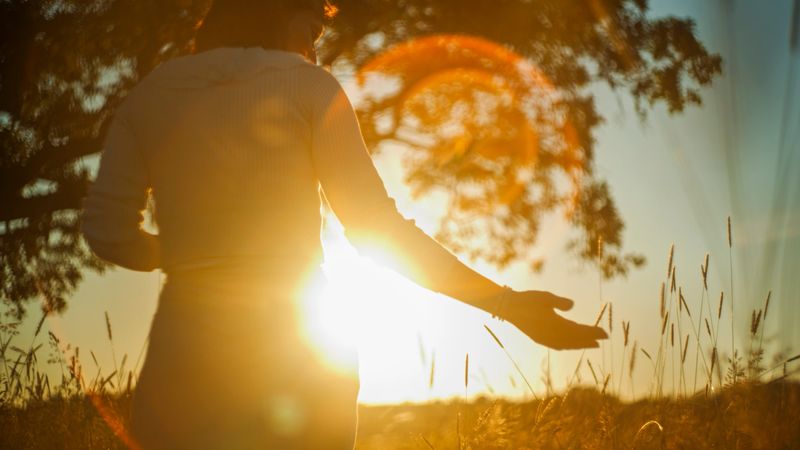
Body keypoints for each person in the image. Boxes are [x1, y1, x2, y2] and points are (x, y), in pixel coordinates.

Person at [80, 0, 607, 448]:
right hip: (299, 358)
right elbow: (377, 229)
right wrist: (507, 304)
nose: (314, 50)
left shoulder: (151, 93)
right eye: (312, 30)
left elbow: (106, 232)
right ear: (277, 11)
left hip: (183, 357)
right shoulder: (309, 86)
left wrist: (189, 254)